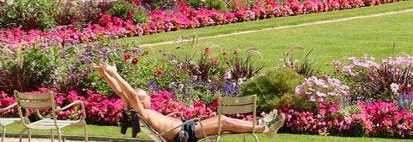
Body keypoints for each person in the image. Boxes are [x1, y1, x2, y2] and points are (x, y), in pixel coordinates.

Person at [96, 64, 283, 142]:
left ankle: (261, 123)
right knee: (223, 121)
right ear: (141, 101)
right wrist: (116, 73)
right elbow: (128, 92)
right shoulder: (141, 110)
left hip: (187, 127)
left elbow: (120, 92)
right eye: (146, 97)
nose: (149, 98)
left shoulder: (135, 109)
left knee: (224, 122)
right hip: (185, 133)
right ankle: (263, 128)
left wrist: (105, 73)